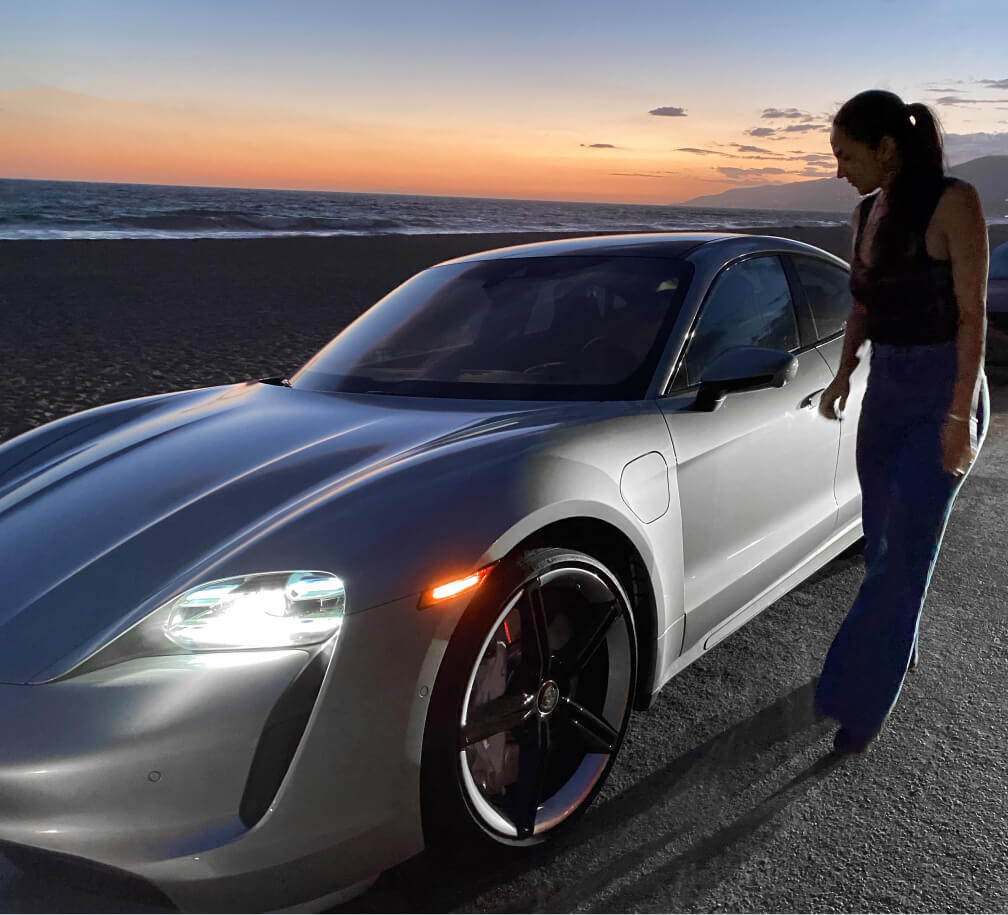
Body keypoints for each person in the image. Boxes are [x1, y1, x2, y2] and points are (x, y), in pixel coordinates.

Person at [815, 89, 990, 754]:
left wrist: (958, 415)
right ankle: (893, 649)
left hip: (942, 387)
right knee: (882, 545)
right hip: (884, 390)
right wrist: (842, 372)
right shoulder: (864, 214)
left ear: (886, 148)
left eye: (846, 155)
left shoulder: (955, 203)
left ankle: (855, 704)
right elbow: (863, 304)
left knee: (906, 553)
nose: (839, 170)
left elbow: (972, 314)